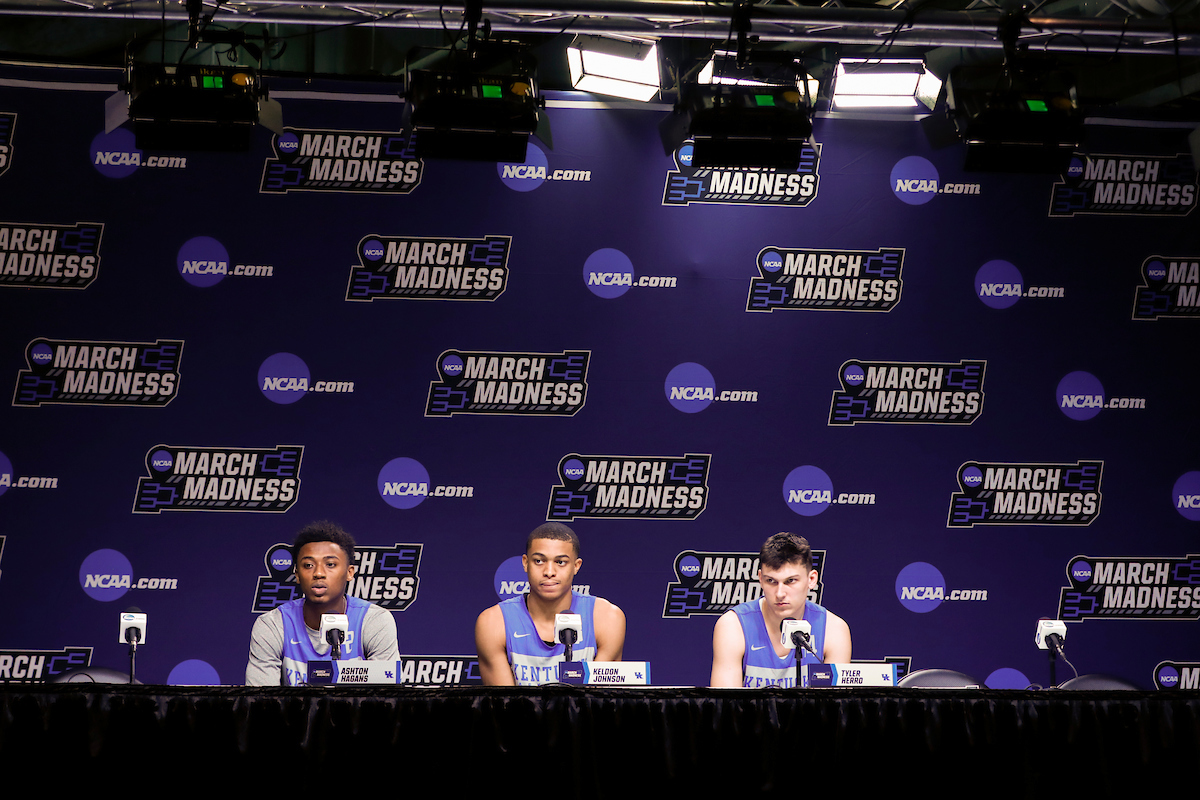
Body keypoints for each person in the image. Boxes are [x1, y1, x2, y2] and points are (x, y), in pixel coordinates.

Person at [246, 520, 399, 686]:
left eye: (330, 564)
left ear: (349, 572)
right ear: (297, 574)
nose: (318, 573)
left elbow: (386, 700)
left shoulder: (375, 621)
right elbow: (261, 705)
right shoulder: (273, 625)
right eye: (308, 565)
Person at [475, 522, 626, 685]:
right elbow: (505, 706)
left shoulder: (607, 618)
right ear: (525, 563)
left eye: (560, 562)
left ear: (576, 566)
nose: (549, 572)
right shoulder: (493, 623)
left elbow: (596, 703)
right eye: (539, 561)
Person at [710, 532, 851, 688]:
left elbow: (832, 709)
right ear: (761, 579)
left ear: (811, 580)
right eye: (771, 581)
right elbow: (726, 708)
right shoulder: (732, 626)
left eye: (790, 581)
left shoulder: (834, 629)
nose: (779, 593)